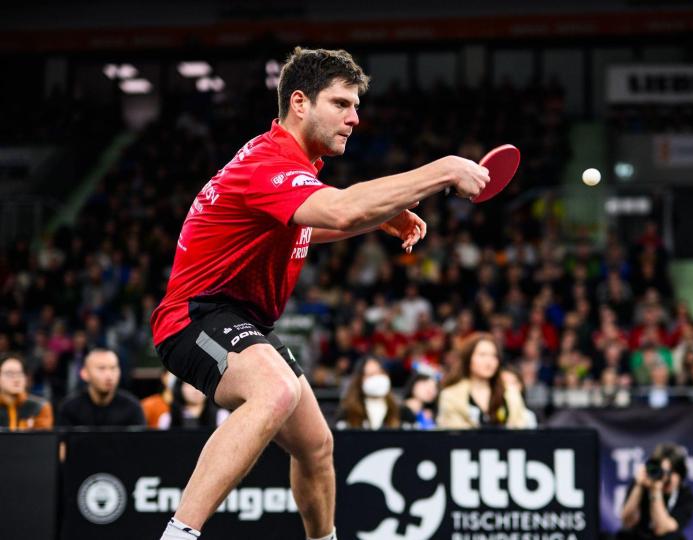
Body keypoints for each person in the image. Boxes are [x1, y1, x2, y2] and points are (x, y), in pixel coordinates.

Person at [149, 47, 489, 540]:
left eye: (356, 106)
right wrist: (444, 169)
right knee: (277, 390)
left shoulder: (294, 160)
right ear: (301, 102)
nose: (355, 118)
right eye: (342, 104)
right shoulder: (268, 163)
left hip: (242, 318)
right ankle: (179, 534)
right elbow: (340, 211)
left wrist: (376, 216)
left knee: (316, 445)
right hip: (194, 316)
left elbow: (311, 226)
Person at [436, 333, 528, 429]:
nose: (489, 361)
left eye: (494, 356)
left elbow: (520, 429)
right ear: (468, 358)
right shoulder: (451, 395)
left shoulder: (511, 393)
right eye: (482, 355)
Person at [619, 443, 693, 540]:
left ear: (680, 475)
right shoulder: (643, 485)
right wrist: (639, 486)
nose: (665, 478)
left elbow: (661, 529)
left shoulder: (686, 496)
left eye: (670, 472)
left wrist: (656, 491)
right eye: (662, 472)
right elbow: (627, 521)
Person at [58, 349, 146, 427]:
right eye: (101, 368)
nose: (109, 375)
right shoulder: (70, 408)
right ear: (85, 373)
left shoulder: (132, 407)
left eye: (113, 368)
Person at [335, 357, 400, 429]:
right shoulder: (347, 410)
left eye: (379, 373)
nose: (376, 379)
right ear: (360, 379)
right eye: (370, 374)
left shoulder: (397, 407)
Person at [0, 353, 54, 430]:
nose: (16, 378)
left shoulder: (39, 407)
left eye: (19, 373)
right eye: (9, 373)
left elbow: (42, 440)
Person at [158, 379, 229, 429]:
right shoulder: (167, 418)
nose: (196, 390)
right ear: (180, 387)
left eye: (201, 384)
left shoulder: (221, 416)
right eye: (190, 385)